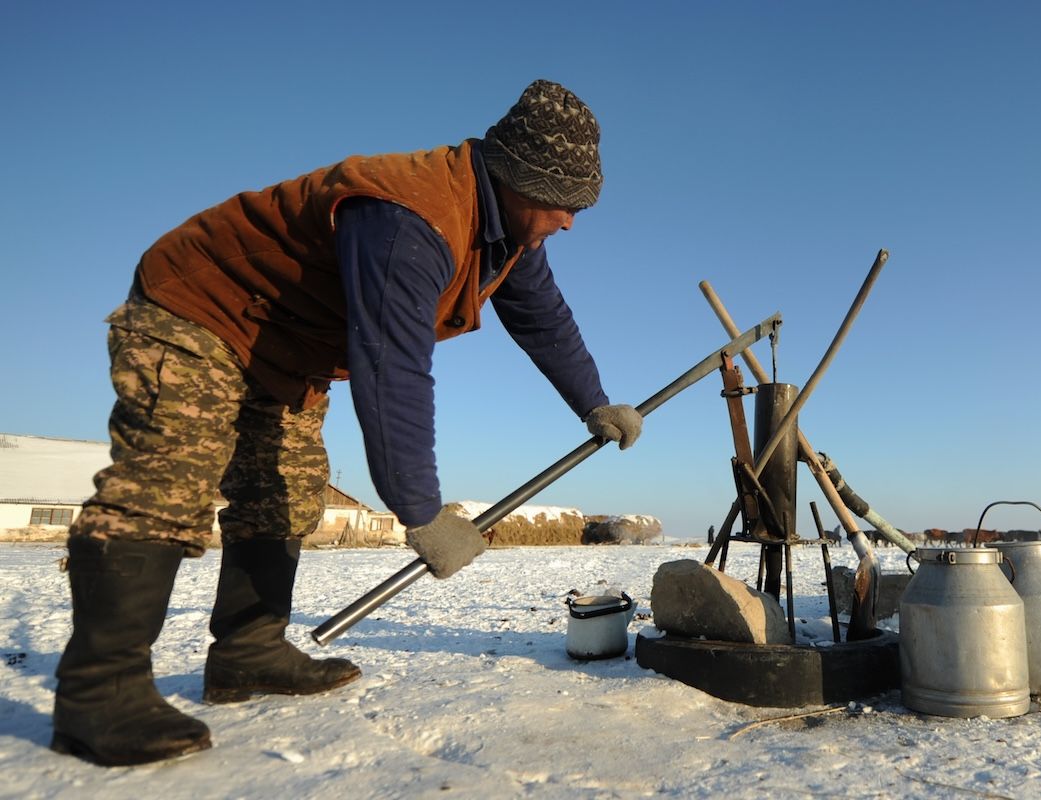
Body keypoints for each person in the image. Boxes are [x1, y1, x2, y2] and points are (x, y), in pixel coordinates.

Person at [52, 79, 642, 767]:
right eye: (562, 204)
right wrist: (421, 511)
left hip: (284, 345)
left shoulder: (506, 232)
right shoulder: (409, 217)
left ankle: (248, 652)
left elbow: (544, 319)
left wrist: (594, 402)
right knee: (166, 483)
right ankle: (99, 695)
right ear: (516, 179)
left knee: (287, 491)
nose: (570, 222)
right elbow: (392, 364)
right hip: (199, 310)